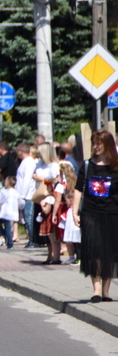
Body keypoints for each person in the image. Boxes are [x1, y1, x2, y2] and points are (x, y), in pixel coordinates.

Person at [72, 129, 118, 303]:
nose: (96, 147)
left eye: (99, 143)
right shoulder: (87, 165)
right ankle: (96, 290)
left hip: (112, 214)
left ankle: (106, 291)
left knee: (109, 253)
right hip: (90, 213)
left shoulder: (116, 166)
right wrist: (74, 212)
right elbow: (78, 189)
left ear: (108, 145)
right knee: (94, 251)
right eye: (94, 144)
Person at [0, 176, 19, 249]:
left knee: (2, 225)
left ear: (7, 183)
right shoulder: (15, 192)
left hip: (5, 213)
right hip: (10, 212)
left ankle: (9, 242)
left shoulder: (5, 192)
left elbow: (0, 201)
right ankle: (8, 239)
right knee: (4, 226)